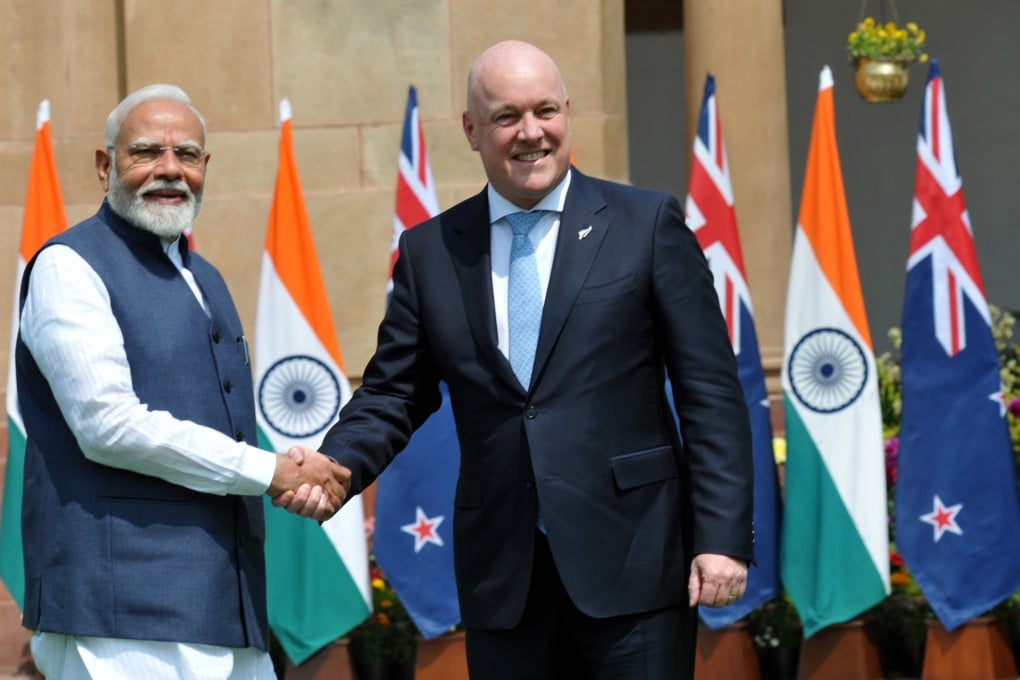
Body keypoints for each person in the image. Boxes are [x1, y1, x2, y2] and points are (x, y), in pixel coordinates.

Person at [318, 41, 753, 678]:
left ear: (568, 112)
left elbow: (709, 390)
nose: (531, 133)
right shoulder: (431, 251)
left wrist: (720, 540)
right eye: (506, 117)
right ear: (471, 130)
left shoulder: (645, 224)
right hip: (505, 580)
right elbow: (394, 392)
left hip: (635, 568)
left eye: (545, 111)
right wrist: (338, 463)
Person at [15, 83, 349, 679]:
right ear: (104, 165)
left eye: (187, 155)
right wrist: (271, 471)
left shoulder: (208, 278)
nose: (170, 169)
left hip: (227, 606)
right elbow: (108, 425)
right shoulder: (69, 266)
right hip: (122, 619)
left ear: (205, 168)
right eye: (146, 151)